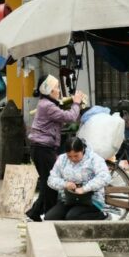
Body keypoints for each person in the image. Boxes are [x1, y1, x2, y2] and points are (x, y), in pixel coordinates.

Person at [25, 74, 84, 222]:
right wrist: (76, 103)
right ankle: (41, 213)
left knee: (49, 181)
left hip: (44, 148)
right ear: (50, 90)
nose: (58, 90)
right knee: (50, 182)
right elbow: (70, 117)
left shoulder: (47, 103)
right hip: (42, 148)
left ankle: (41, 213)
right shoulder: (47, 105)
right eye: (57, 88)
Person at [45, 138, 111, 221]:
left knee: (72, 217)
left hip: (91, 199)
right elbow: (51, 179)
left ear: (82, 150)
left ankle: (103, 215)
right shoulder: (62, 159)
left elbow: (105, 177)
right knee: (50, 218)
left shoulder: (94, 158)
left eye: (76, 155)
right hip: (68, 199)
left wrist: (85, 188)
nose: (73, 159)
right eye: (69, 156)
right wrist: (65, 184)